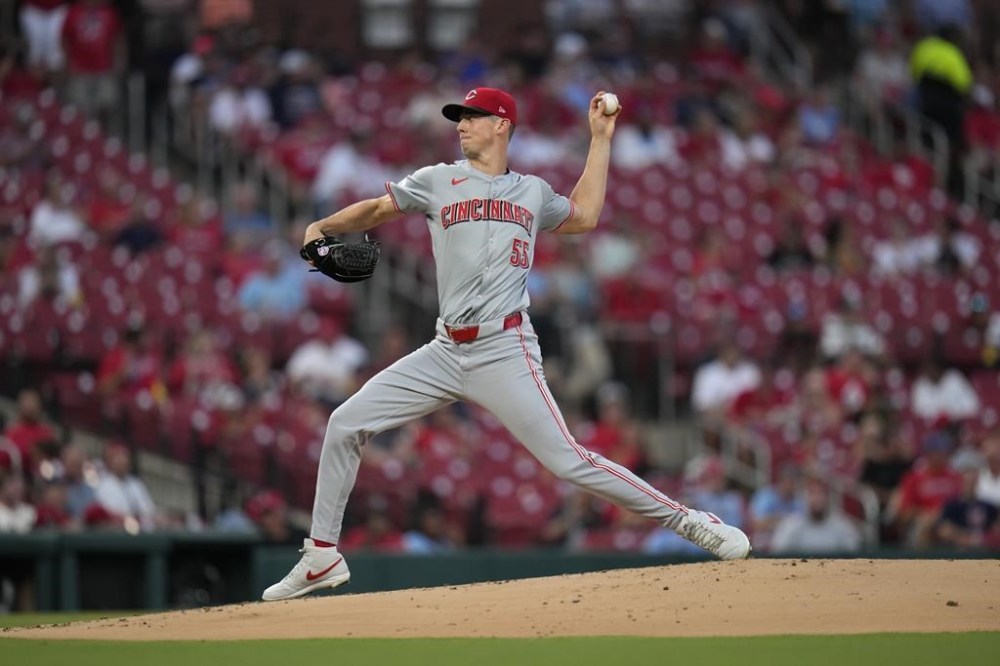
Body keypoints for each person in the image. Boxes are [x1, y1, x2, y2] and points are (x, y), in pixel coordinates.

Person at [262, 87, 751, 602]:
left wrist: (600, 139)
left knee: (569, 461)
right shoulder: (437, 180)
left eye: (471, 117)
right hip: (445, 348)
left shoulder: (533, 192)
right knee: (345, 423)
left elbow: (584, 217)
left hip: (505, 348)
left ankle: (691, 521)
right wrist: (322, 226)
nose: (461, 125)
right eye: (459, 118)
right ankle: (321, 556)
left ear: (502, 124)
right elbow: (377, 210)